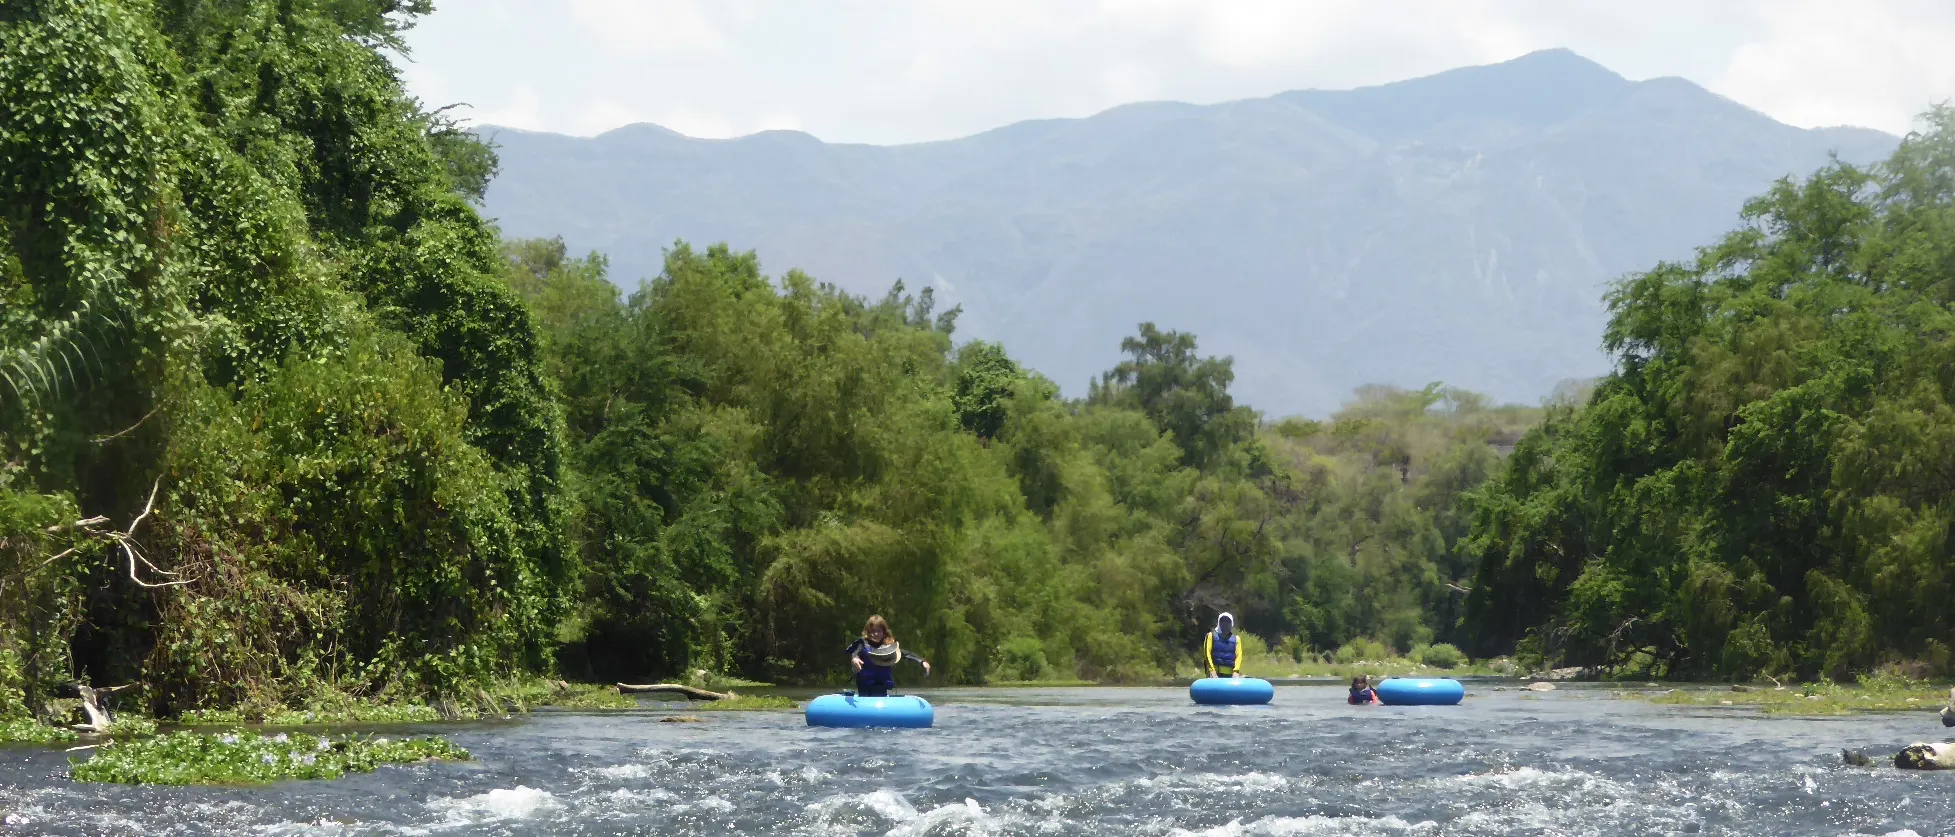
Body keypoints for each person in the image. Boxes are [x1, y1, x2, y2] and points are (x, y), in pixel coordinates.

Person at [846, 615, 930, 697]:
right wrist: (855, 658)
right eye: (873, 631)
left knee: (878, 692)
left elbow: (905, 654)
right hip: (864, 683)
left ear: (884, 632)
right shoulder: (863, 644)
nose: (876, 634)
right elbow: (855, 652)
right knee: (865, 692)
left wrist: (921, 661)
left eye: (879, 631)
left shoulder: (888, 646)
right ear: (868, 632)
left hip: (880, 684)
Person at [1202, 612, 1244, 679]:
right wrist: (1212, 671)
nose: (1225, 624)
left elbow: (1239, 656)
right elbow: (1207, 654)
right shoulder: (1210, 636)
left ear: (1231, 624)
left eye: (1228, 621)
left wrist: (1236, 671)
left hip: (1231, 676)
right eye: (1223, 621)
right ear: (1219, 623)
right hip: (1214, 674)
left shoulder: (1236, 639)